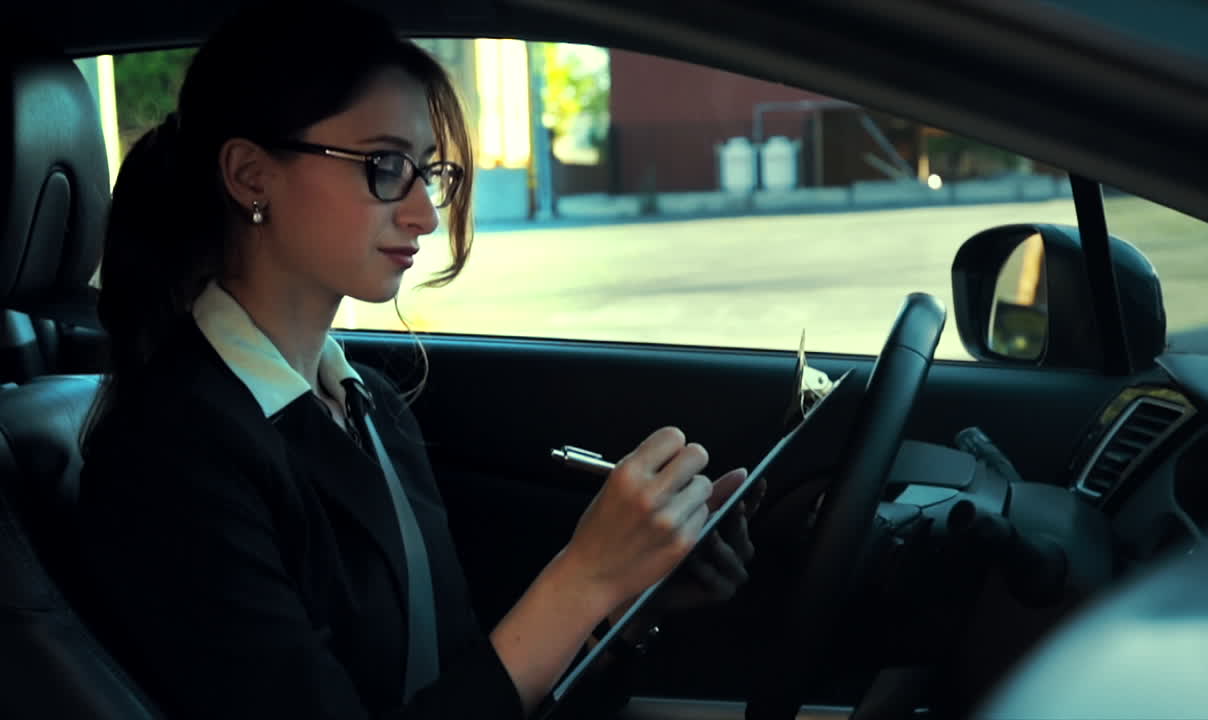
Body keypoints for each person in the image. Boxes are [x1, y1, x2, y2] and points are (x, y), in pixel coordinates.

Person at [75, 2, 758, 718]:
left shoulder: (365, 401)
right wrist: (583, 580)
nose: (425, 215)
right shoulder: (170, 456)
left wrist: (628, 596)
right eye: (384, 165)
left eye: (426, 172)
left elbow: (457, 676)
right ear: (251, 175)